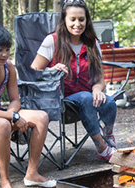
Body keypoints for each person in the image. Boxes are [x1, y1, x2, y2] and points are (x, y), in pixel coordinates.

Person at [31, 0, 117, 161]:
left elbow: (99, 77)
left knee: (110, 103)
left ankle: (108, 135)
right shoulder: (52, 41)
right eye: (72, 19)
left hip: (88, 97)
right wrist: (51, 69)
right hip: (61, 101)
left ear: (87, 20)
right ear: (64, 20)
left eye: (81, 19)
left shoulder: (92, 43)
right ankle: (102, 147)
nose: (77, 24)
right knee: (85, 97)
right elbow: (33, 71)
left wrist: (97, 89)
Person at [0, 24, 56, 188]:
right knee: (3, 124)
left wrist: (12, 113)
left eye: (7, 49)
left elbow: (15, 100)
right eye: (0, 50)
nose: (5, 55)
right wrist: (12, 117)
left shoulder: (8, 66)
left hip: (1, 114)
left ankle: (32, 173)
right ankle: (5, 181)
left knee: (41, 117)